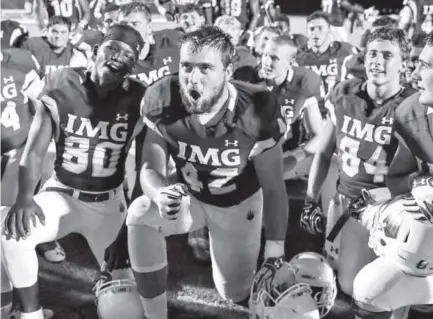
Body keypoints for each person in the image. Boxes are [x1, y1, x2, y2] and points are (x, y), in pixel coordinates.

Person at [126, 26, 288, 319]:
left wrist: (275, 252)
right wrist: (159, 191)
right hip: (191, 196)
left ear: (228, 70)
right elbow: (150, 166)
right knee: (140, 212)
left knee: (235, 293)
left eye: (205, 68)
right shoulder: (161, 96)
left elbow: (274, 188)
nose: (193, 78)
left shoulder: (257, 108)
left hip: (236, 204)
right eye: (186, 66)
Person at [1, 24, 145, 319]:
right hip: (61, 192)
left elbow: (145, 166)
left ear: (133, 66)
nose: (118, 58)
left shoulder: (141, 100)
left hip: (109, 204)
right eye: (112, 49)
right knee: (12, 231)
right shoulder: (62, 88)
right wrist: (25, 197)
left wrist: (129, 226)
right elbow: (35, 150)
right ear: (95, 51)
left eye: (128, 55)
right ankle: (31, 314)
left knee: (126, 308)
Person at [301, 26, 415, 298]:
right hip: (344, 199)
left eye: (387, 55)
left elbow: (424, 175)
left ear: (403, 63)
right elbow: (325, 151)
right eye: (372, 53)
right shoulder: (344, 94)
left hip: (390, 209)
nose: (377, 61)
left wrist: (388, 192)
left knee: (371, 290)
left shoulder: (412, 105)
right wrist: (309, 200)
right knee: (342, 280)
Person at [296, 11, 358, 100]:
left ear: (329, 29)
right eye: (312, 29)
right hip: (309, 108)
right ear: (307, 31)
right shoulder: (299, 55)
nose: (315, 32)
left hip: (336, 107)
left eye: (320, 28)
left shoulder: (344, 51)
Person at [21, 16, 88, 77]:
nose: (58, 36)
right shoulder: (33, 46)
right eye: (54, 32)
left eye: (63, 32)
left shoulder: (75, 52)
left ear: (69, 34)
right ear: (46, 32)